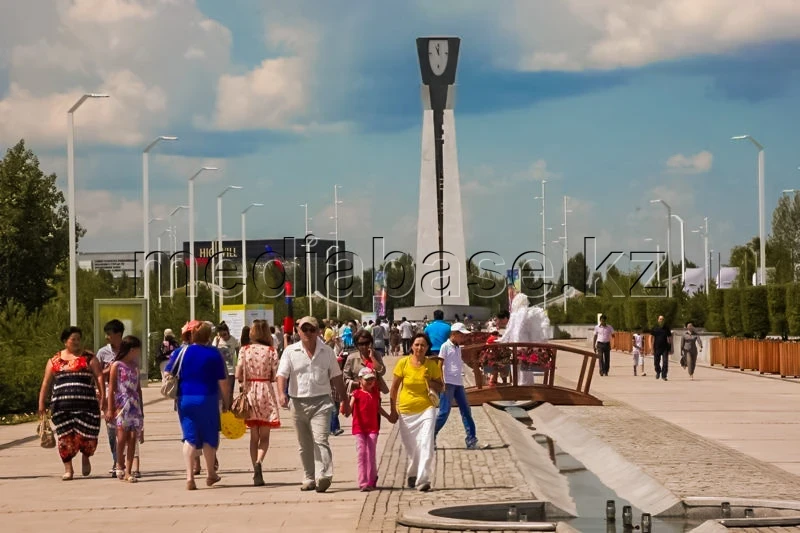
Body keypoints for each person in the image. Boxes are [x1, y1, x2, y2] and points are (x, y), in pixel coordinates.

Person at [277, 316, 351, 493]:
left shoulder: (327, 352)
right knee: (304, 444)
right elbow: (282, 375)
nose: (308, 333)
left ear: (318, 331)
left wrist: (345, 401)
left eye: (312, 329)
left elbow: (336, 377)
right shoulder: (290, 351)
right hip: (298, 402)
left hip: (322, 402)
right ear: (298, 331)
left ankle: (324, 475)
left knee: (321, 440)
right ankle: (309, 477)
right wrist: (281, 393)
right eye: (305, 329)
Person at [165, 321, 230, 490]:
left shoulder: (181, 351)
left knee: (190, 437)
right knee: (209, 437)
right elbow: (223, 382)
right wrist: (227, 402)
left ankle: (189, 477)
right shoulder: (214, 354)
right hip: (208, 398)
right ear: (208, 337)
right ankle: (210, 474)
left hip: (185, 399)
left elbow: (167, 372)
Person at [38, 327, 104, 480]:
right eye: (73, 339)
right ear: (65, 341)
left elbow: (99, 377)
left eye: (78, 339)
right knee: (65, 438)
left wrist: (104, 397)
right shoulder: (54, 360)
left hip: (87, 406)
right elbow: (46, 383)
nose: (76, 342)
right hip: (61, 407)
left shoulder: (89, 358)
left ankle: (86, 456)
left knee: (89, 435)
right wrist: (41, 403)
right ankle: (68, 469)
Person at [389, 333, 443, 492]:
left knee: (426, 443)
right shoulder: (403, 363)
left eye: (423, 345)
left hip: (426, 408)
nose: (420, 348)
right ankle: (413, 473)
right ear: (412, 346)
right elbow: (393, 389)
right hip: (406, 411)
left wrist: (430, 380)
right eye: (417, 344)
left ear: (427, 348)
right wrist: (393, 410)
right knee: (412, 447)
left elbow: (441, 386)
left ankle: (423, 479)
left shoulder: (431, 365)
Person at [235, 319, 281, 486]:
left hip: (250, 392)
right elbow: (276, 375)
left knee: (253, 436)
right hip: (266, 391)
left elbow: (238, 373)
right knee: (265, 436)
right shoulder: (271, 351)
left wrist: (244, 382)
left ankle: (254, 466)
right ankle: (260, 462)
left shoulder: (244, 350)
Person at [106, 335, 144, 483]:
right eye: (137, 350)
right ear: (132, 350)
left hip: (134, 405)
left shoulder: (135, 366)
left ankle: (128, 471)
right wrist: (110, 409)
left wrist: (142, 409)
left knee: (133, 438)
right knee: (121, 437)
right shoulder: (116, 365)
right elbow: (112, 388)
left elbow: (139, 389)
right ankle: (119, 463)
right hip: (121, 404)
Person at [434, 323, 478, 449]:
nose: (463, 337)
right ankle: (431, 435)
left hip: (458, 383)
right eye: (462, 335)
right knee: (444, 412)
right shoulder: (445, 346)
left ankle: (471, 438)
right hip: (448, 383)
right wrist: (441, 382)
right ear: (455, 334)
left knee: (466, 410)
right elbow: (439, 364)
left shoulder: (458, 347)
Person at [349, 367, 394, 491]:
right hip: (359, 428)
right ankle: (363, 482)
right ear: (360, 380)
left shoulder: (374, 394)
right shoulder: (356, 394)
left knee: (371, 454)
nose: (370, 382)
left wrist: (389, 417)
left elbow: (378, 408)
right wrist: (345, 403)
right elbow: (348, 410)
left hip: (372, 428)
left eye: (372, 380)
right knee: (361, 454)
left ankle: (371, 479)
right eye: (367, 379)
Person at [96, 319, 124, 477]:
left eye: (110, 334)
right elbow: (98, 374)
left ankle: (125, 462)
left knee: (126, 430)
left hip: (125, 395)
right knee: (112, 431)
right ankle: (116, 460)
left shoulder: (128, 350)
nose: (107, 337)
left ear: (118, 335)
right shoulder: (102, 353)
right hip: (108, 395)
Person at [343, 329, 389, 395]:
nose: (364, 346)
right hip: (357, 395)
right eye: (361, 344)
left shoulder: (376, 355)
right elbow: (345, 379)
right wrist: (359, 384)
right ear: (356, 345)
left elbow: (382, 372)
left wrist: (372, 357)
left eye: (367, 343)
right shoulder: (351, 358)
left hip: (374, 394)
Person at [213, 322, 240, 406]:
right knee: (220, 392)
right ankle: (223, 409)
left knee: (229, 391)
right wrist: (217, 342)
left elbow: (238, 352)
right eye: (221, 335)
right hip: (220, 369)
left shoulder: (233, 340)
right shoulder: (216, 340)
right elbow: (213, 352)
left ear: (228, 332)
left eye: (225, 334)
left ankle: (229, 409)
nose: (223, 337)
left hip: (230, 370)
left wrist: (238, 365)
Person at [648, 315, 673, 381]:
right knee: (656, 362)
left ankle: (664, 375)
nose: (661, 320)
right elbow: (650, 337)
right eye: (660, 319)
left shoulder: (666, 328)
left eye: (662, 319)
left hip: (665, 348)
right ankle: (658, 371)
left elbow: (670, 338)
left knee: (665, 362)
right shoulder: (655, 328)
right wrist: (651, 347)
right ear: (658, 320)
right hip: (656, 348)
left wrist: (671, 348)